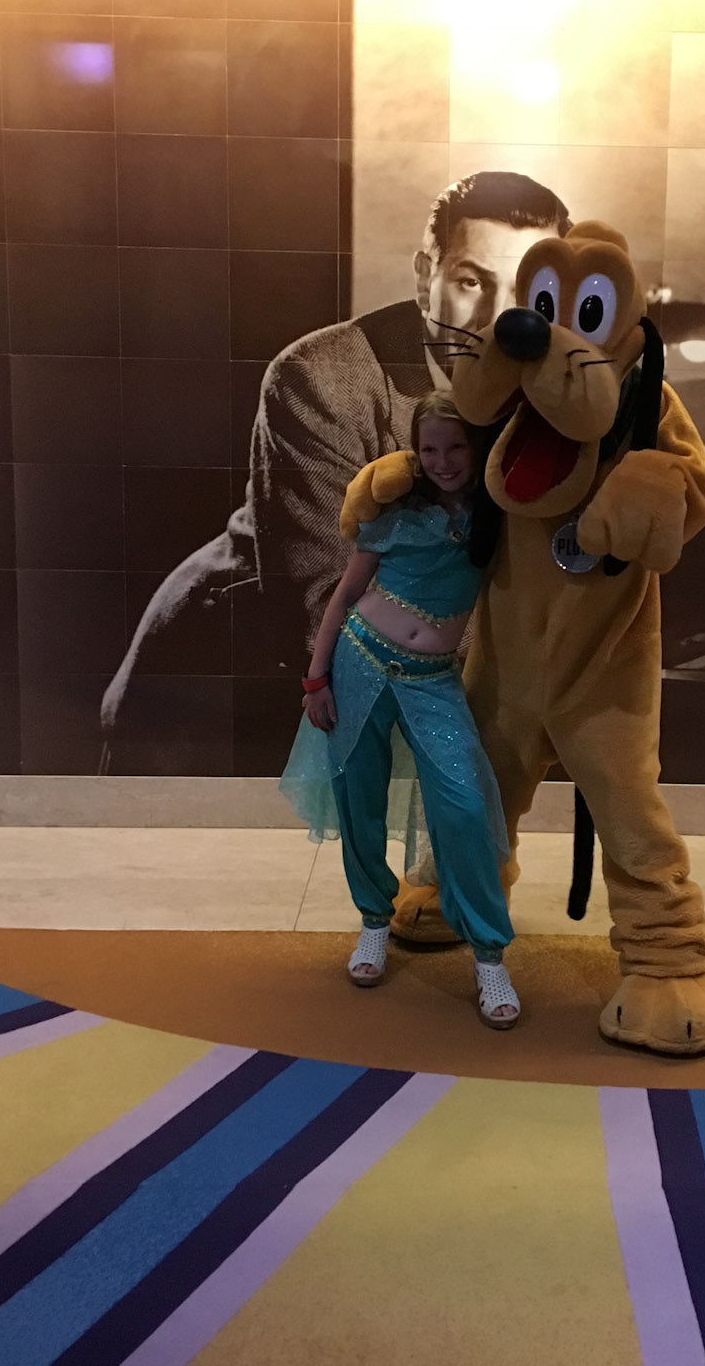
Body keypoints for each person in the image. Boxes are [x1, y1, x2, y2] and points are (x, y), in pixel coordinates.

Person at [100, 171, 571, 755]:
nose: (498, 319)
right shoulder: (320, 378)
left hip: (416, 685)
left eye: (526, 290)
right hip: (226, 689)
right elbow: (335, 603)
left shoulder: (557, 385)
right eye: (472, 281)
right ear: (425, 277)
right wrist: (538, 654)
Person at [278, 392, 520, 1029]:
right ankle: (373, 922)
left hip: (432, 680)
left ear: (477, 447)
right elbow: (343, 596)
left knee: (464, 805)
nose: (443, 461)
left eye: (456, 446)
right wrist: (315, 679)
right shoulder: (393, 510)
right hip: (357, 663)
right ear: (415, 451)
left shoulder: (498, 515)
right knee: (358, 798)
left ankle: (489, 955)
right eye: (429, 448)